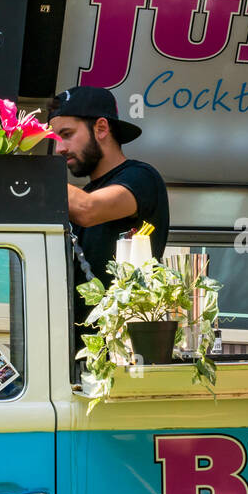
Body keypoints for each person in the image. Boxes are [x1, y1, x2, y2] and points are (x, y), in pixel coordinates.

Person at [49, 86, 170, 328]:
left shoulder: (142, 177)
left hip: (121, 349)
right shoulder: (81, 194)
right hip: (74, 351)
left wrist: (23, 177)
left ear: (101, 128)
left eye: (67, 134)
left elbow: (88, 210)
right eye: (54, 139)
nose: (59, 148)